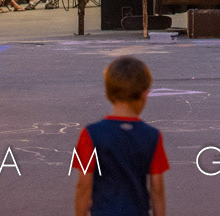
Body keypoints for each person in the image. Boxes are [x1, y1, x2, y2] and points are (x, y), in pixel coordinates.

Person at [72, 56, 168, 216]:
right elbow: (157, 188)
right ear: (144, 95)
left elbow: (84, 185)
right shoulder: (152, 136)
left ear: (108, 93)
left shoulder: (91, 134)